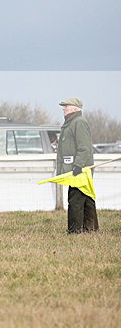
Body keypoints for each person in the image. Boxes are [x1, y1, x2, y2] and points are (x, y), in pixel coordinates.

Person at [56, 97, 97, 233]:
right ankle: (91, 229)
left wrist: (78, 165)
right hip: (78, 168)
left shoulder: (79, 123)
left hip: (81, 169)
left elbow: (84, 147)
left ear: (75, 109)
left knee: (76, 200)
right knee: (86, 199)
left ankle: (74, 231)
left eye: (66, 106)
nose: (63, 108)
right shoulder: (71, 123)